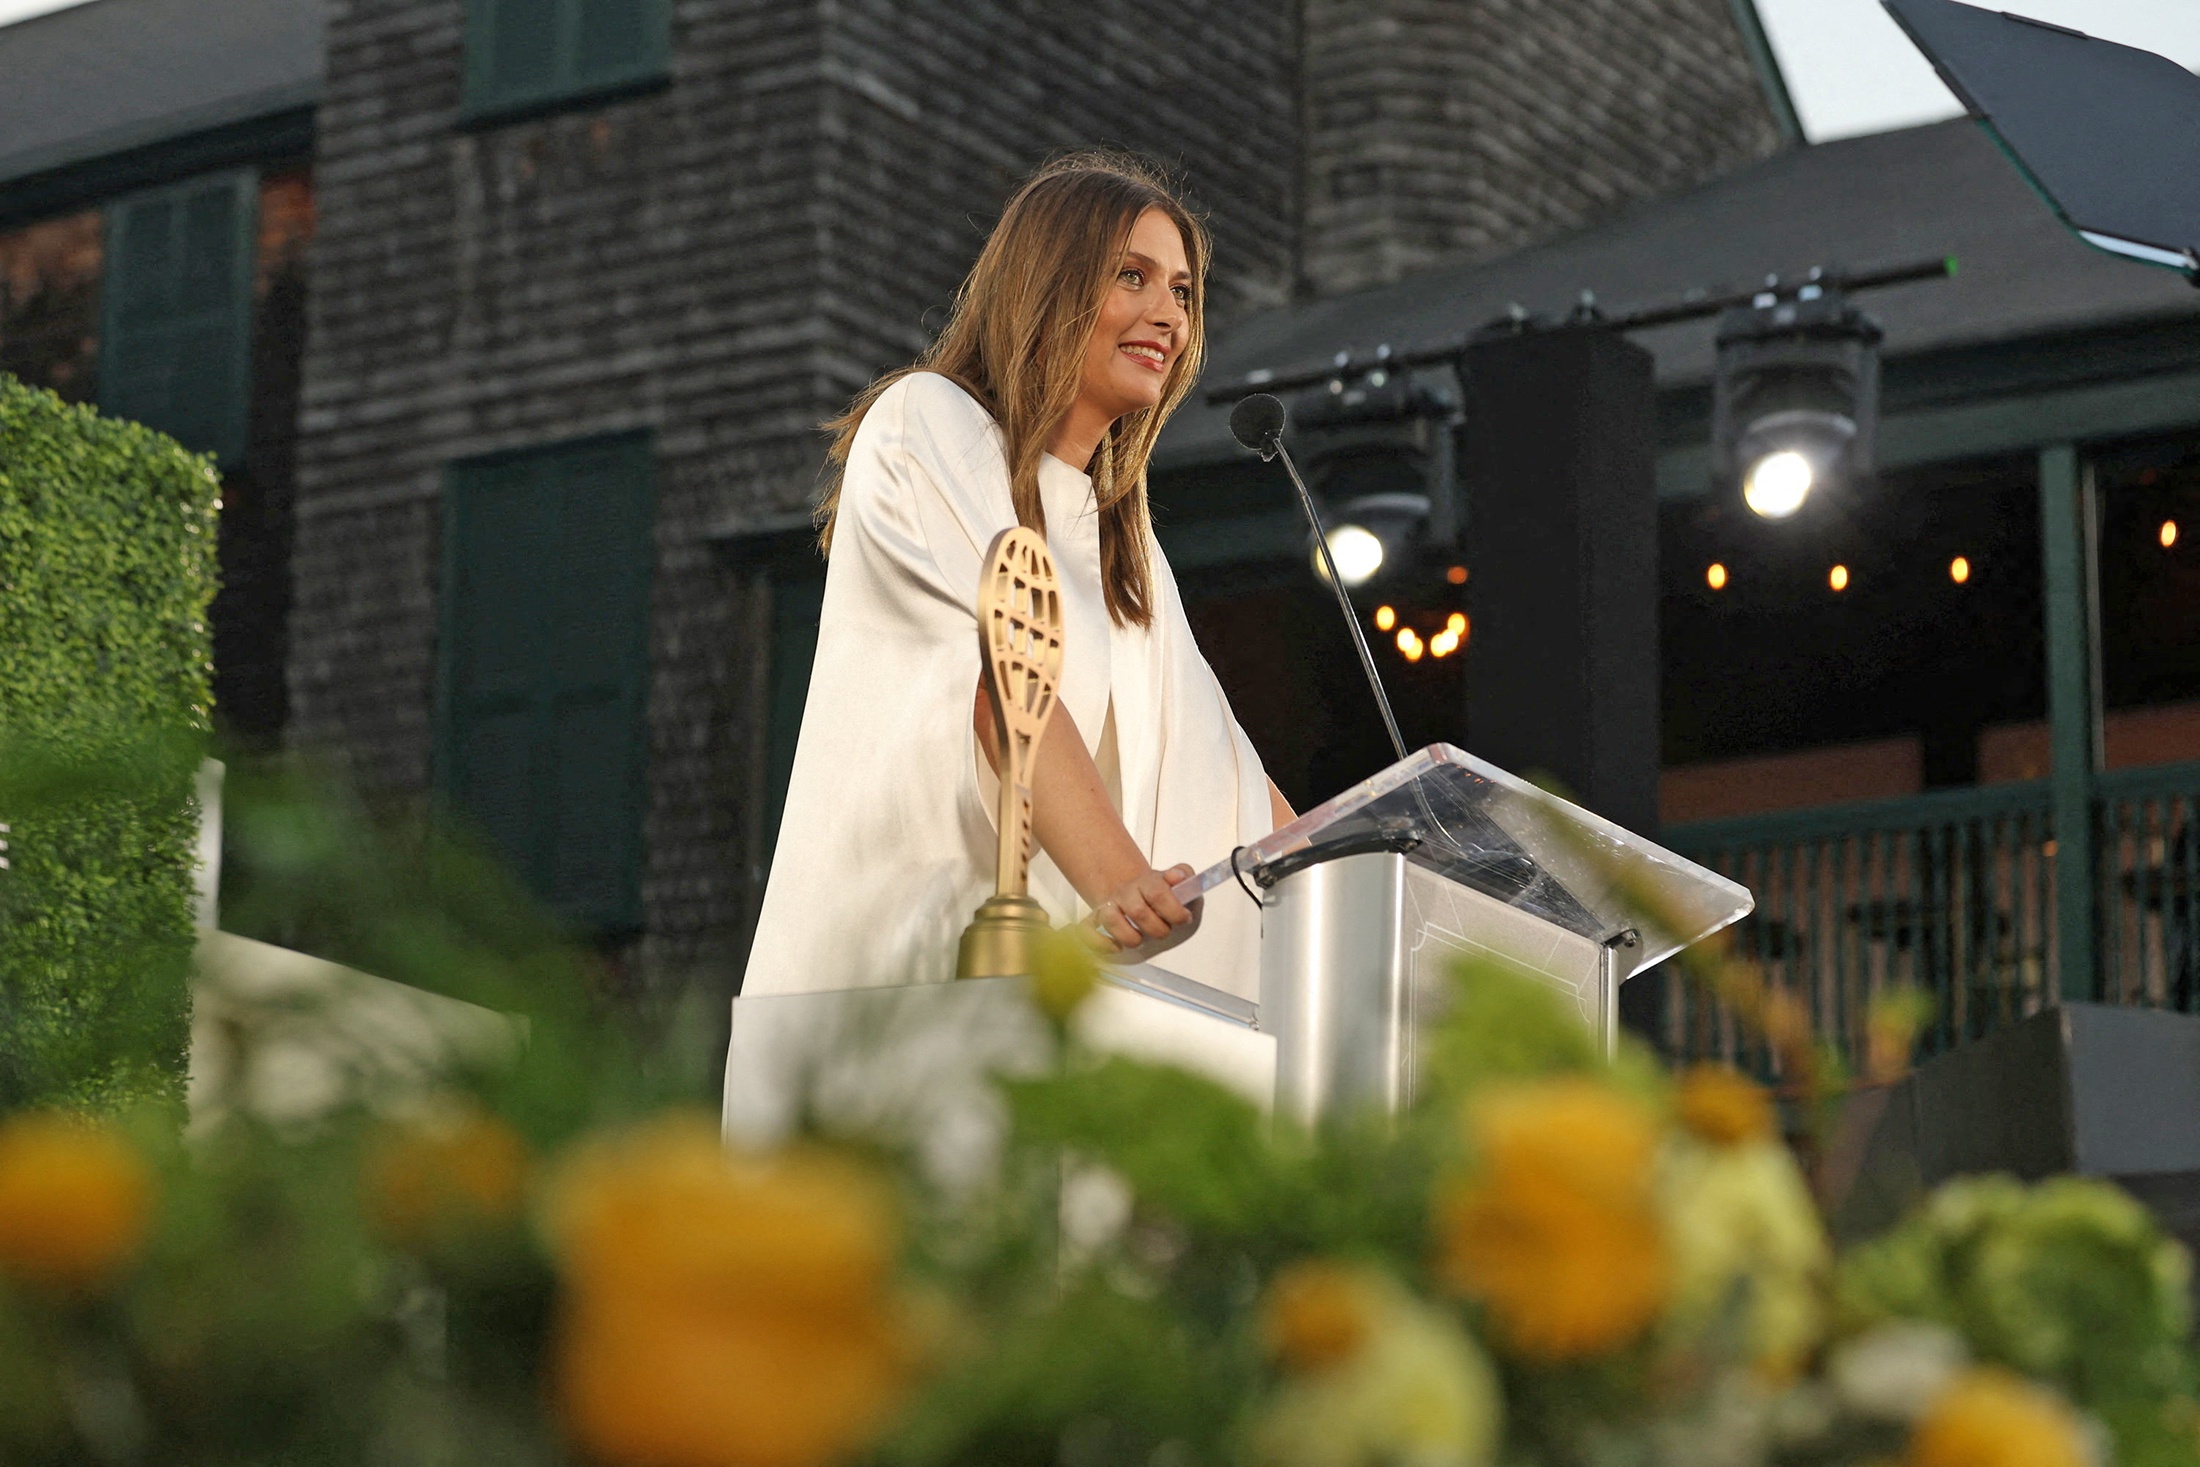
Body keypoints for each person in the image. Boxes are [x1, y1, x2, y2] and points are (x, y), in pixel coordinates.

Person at [739, 151, 1293, 1005]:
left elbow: (1226, 777)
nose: (1169, 315)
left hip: (1062, 1005)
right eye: (1133, 276)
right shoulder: (930, 422)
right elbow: (998, 687)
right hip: (903, 990)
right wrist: (1122, 879)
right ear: (1049, 284)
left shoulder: (1124, 541)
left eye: (1183, 292)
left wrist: (1374, 864)